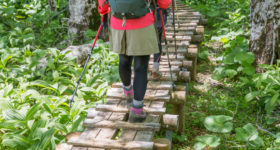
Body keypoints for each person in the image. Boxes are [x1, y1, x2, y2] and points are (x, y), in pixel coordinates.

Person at [98, 0, 171, 123]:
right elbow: (164, 4)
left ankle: (128, 91)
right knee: (140, 67)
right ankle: (137, 110)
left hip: (118, 23)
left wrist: (104, 12)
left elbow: (103, 5)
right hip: (142, 23)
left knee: (124, 60)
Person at [152, 8, 168, 80]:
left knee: (144, 42)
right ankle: (155, 69)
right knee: (157, 41)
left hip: (142, 17)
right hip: (158, 15)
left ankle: (142, 67)